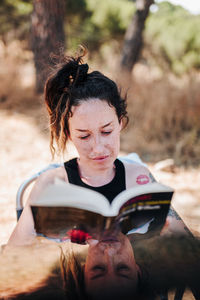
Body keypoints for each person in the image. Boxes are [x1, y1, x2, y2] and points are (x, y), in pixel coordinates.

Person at [7, 49, 187, 246]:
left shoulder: (139, 177)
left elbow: (185, 239)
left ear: (120, 123)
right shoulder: (51, 184)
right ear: (69, 135)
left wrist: (172, 234)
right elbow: (15, 252)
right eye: (84, 136)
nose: (98, 148)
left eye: (107, 131)